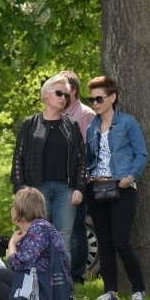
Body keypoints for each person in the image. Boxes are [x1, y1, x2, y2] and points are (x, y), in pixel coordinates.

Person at [85, 75, 148, 300]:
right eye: (91, 99)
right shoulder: (92, 126)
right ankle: (110, 292)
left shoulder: (128, 123)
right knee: (105, 242)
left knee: (121, 241)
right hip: (97, 187)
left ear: (112, 97)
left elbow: (142, 154)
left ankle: (139, 290)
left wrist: (129, 177)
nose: (95, 103)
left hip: (122, 188)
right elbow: (90, 157)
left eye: (99, 98)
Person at [11, 75, 86, 259]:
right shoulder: (30, 123)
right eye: (59, 93)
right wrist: (20, 188)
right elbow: (18, 157)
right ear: (45, 95)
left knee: (63, 241)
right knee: (36, 238)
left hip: (66, 190)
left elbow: (81, 159)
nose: (63, 98)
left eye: (66, 95)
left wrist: (80, 187)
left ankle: (64, 286)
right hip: (36, 190)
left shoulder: (72, 125)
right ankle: (37, 283)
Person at [59, 70, 96, 284]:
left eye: (61, 90)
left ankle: (77, 277)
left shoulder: (85, 114)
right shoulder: (58, 114)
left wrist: (80, 183)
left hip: (77, 182)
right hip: (58, 181)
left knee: (76, 230)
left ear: (72, 90)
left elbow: (87, 152)